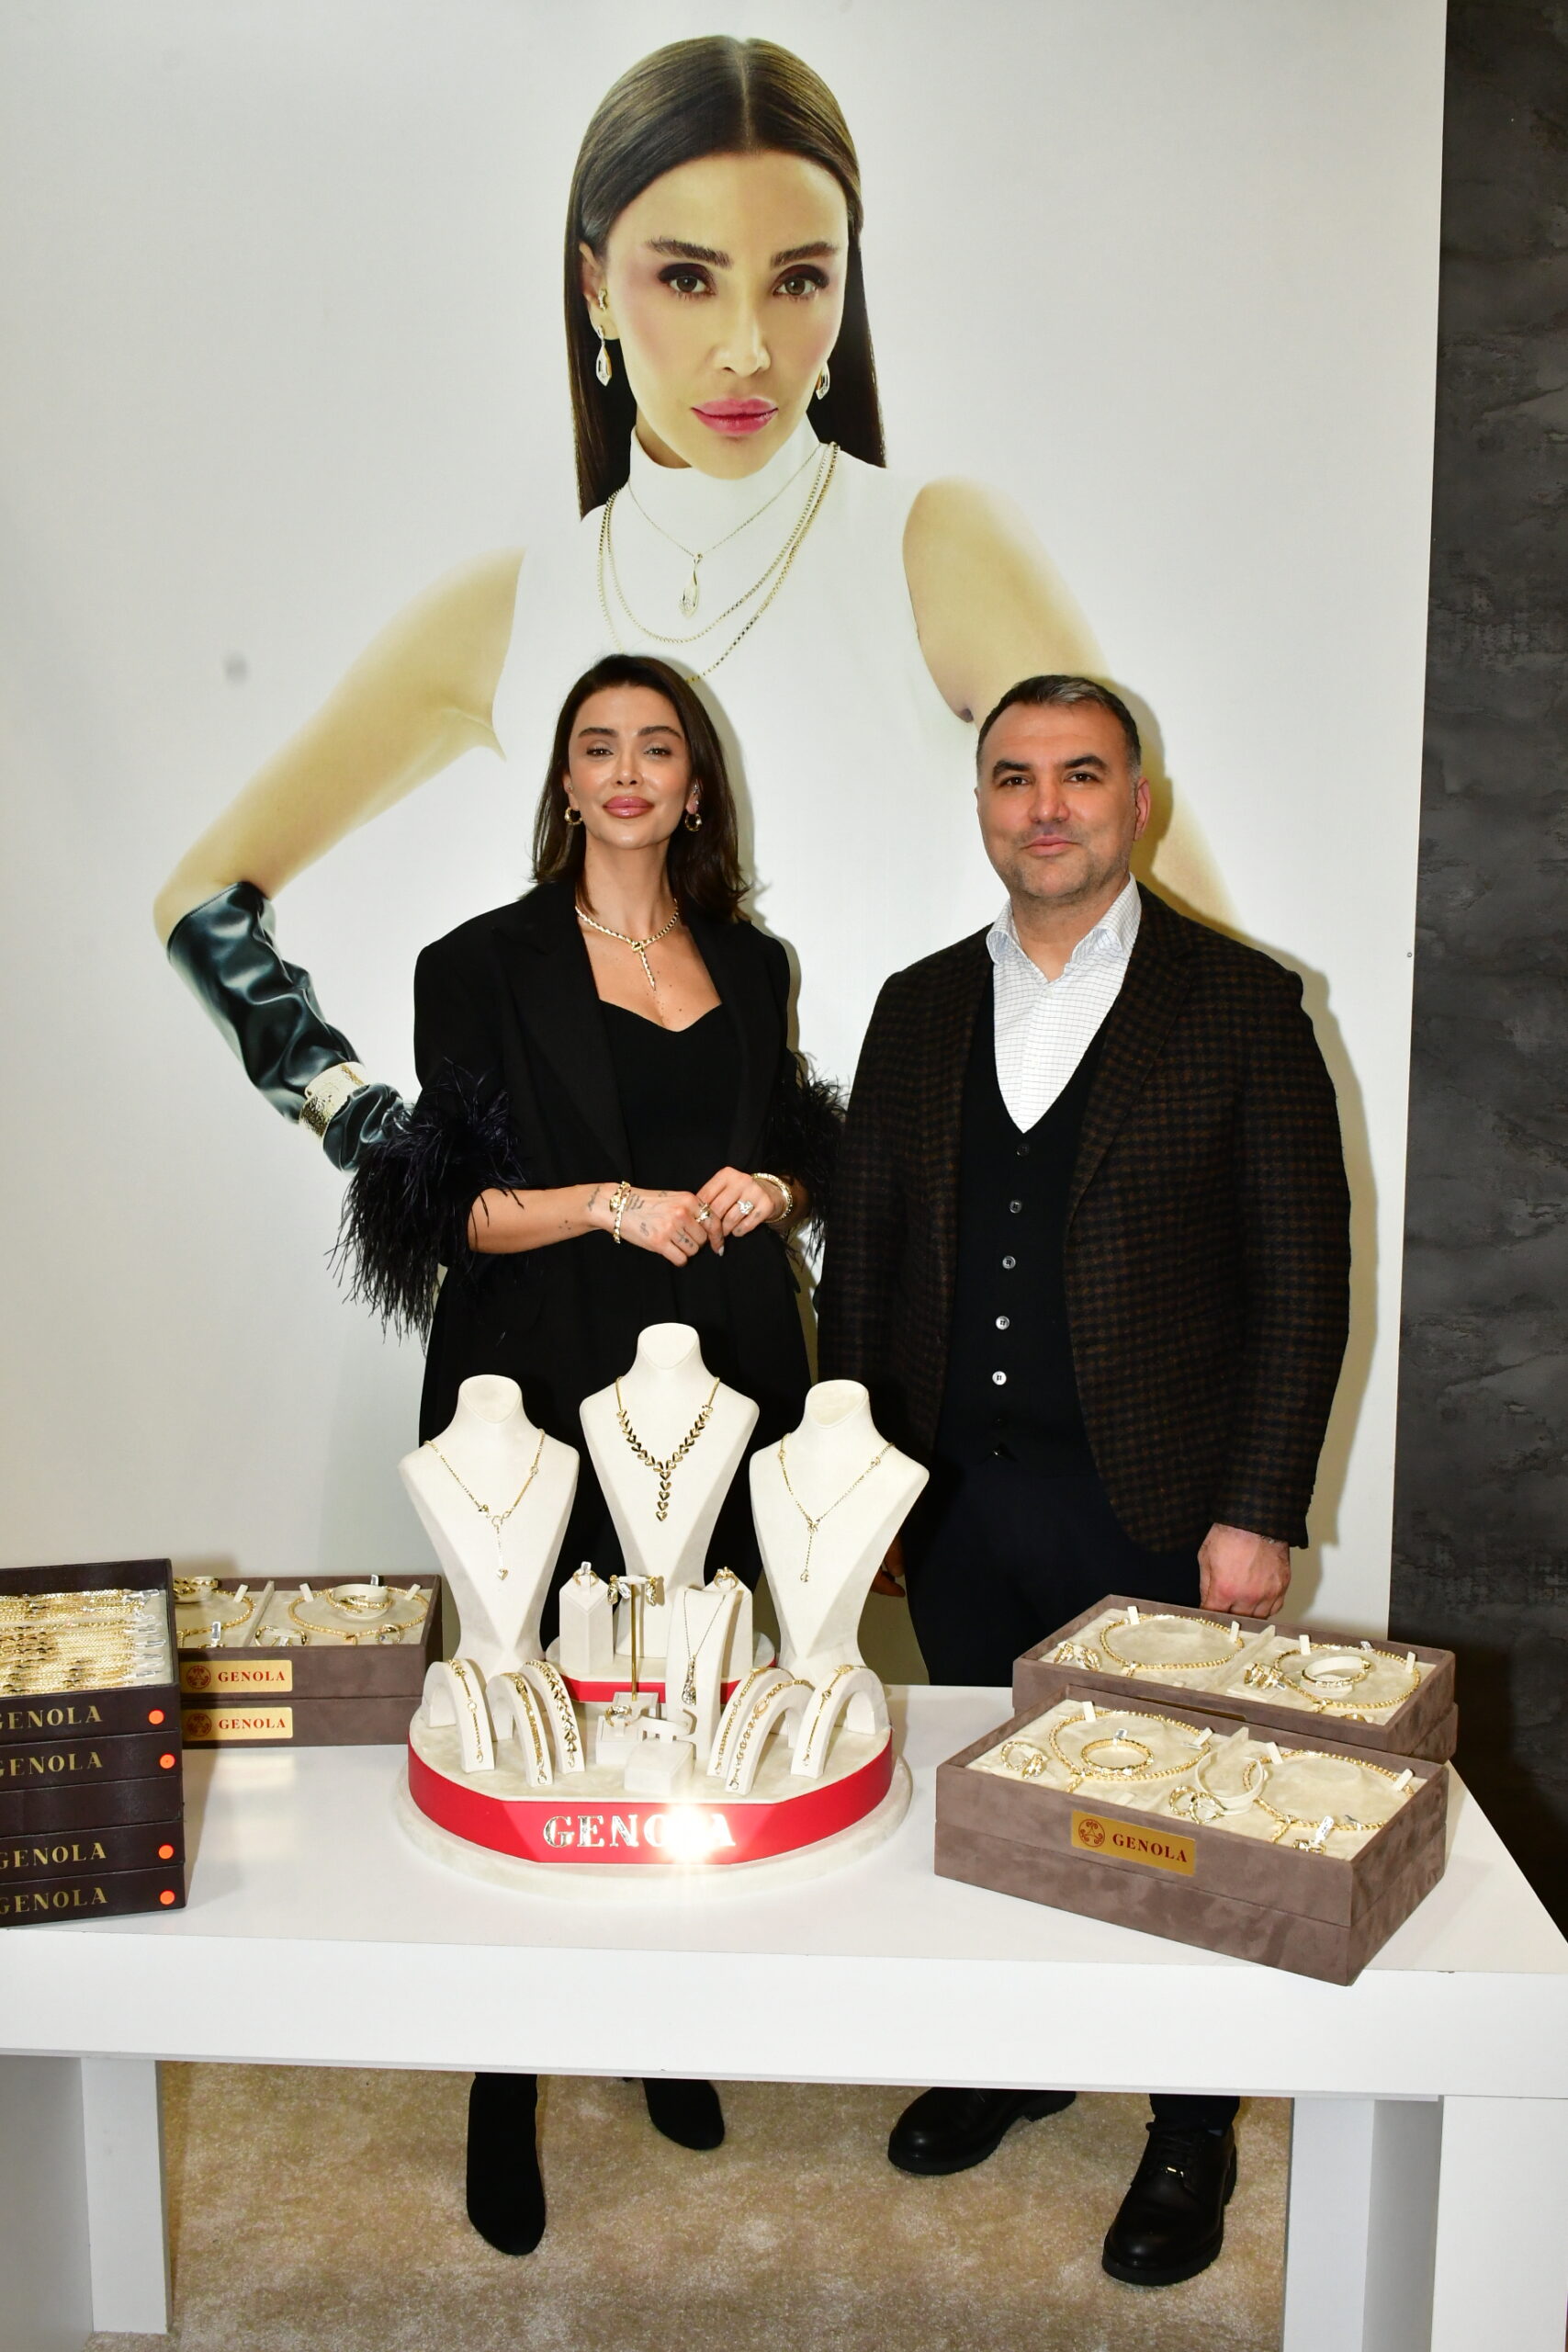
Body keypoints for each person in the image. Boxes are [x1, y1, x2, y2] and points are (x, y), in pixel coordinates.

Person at [154, 32, 1219, 1165]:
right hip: (607, 1262)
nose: (747, 349)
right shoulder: (505, 613)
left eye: (798, 279)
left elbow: (1199, 963)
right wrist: (371, 1131)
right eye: (688, 277)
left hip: (904, 1248)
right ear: (595, 287)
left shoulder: (936, 549)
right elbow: (202, 895)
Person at [816, 674, 1350, 2289]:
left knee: (1172, 1827)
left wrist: (1256, 1509)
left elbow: (1299, 1279)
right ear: (981, 804)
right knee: (998, 1807)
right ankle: (1013, 2053)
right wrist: (861, 1485)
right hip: (956, 1504)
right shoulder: (915, 1006)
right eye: (1012, 777)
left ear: (1137, 803)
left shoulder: (1240, 1003)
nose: (1043, 806)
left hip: (1158, 1505)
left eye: (1079, 775)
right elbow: (863, 1266)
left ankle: (1188, 2127)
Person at [344, 650, 840, 2256]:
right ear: (563, 782)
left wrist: (773, 1189)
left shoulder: (751, 961)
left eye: (657, 748)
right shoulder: (475, 964)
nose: (627, 772)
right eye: (597, 746)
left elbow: (782, 1143)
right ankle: (503, 2086)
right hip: (543, 1384)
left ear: (695, 787)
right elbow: (454, 1212)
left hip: (724, 1379)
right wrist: (612, 1205)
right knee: (536, 1729)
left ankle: (657, 2024)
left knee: (686, 1705)